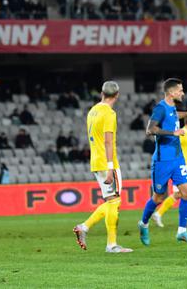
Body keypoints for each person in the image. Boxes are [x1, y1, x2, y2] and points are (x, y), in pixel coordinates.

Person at [72, 81, 132, 253]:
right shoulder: (109, 113)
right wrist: (111, 167)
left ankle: (87, 229)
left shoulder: (92, 111)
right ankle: (110, 244)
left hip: (96, 160)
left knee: (111, 201)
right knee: (115, 200)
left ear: (101, 93)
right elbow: (107, 141)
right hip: (107, 162)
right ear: (117, 95)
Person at [138, 78, 187, 246]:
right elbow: (150, 130)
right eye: (180, 90)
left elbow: (176, 115)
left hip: (177, 159)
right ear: (171, 93)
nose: (183, 93)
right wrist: (173, 133)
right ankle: (143, 223)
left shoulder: (171, 109)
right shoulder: (160, 108)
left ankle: (182, 232)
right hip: (162, 161)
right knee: (158, 198)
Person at [151, 119, 187, 227]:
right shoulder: (183, 132)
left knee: (181, 194)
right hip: (182, 167)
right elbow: (172, 143)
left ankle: (158, 214)